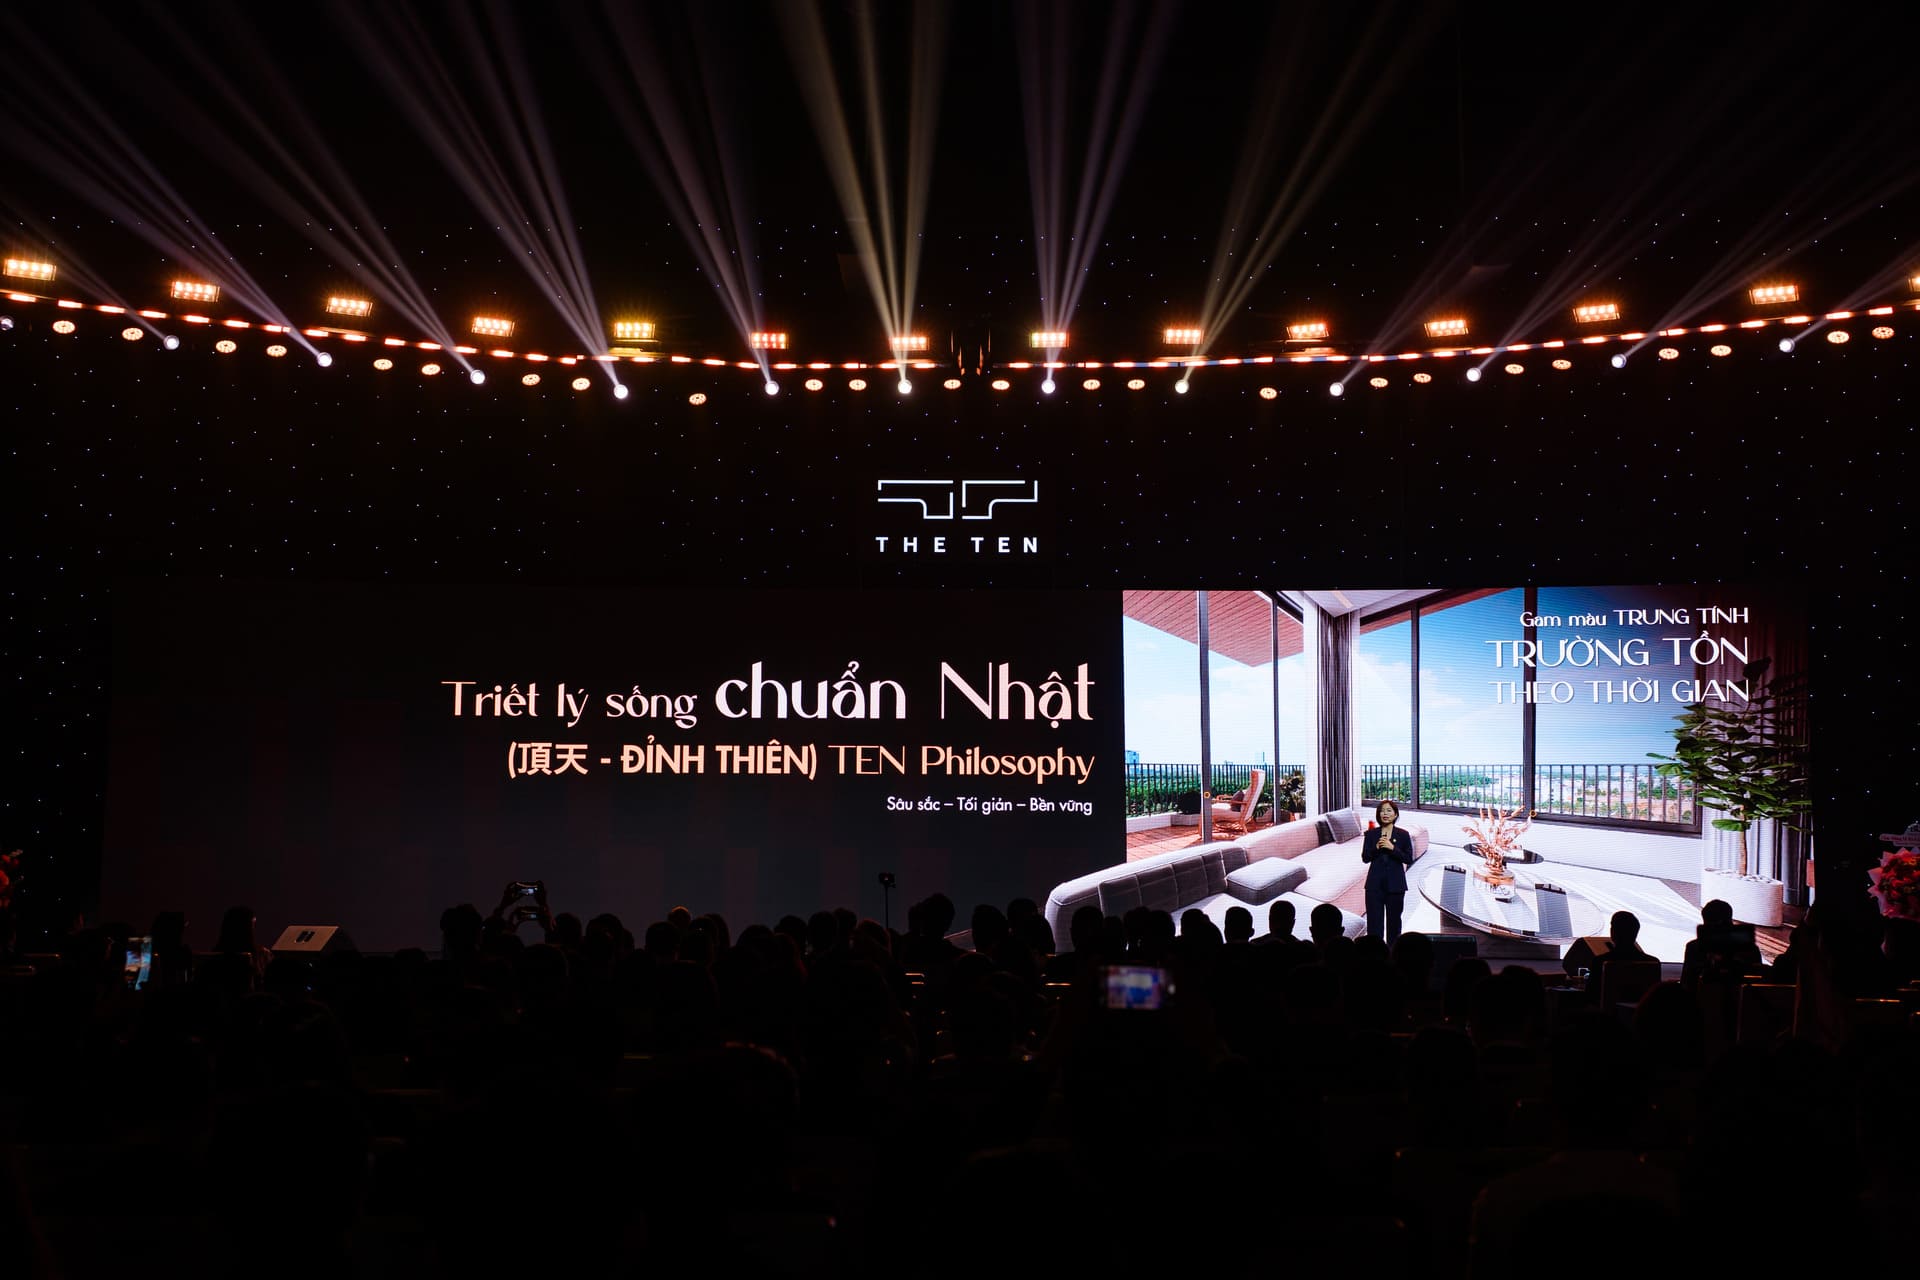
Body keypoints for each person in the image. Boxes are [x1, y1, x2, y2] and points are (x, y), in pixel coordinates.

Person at [1362, 799, 1416, 945]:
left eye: (1388, 810)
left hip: (1396, 886)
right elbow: (1365, 858)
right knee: (1374, 926)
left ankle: (1393, 953)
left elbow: (1408, 859)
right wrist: (1376, 848)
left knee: (1394, 925)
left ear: (1395, 814)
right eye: (1382, 811)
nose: (1385, 813)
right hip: (1374, 886)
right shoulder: (1371, 834)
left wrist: (1393, 848)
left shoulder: (1403, 834)